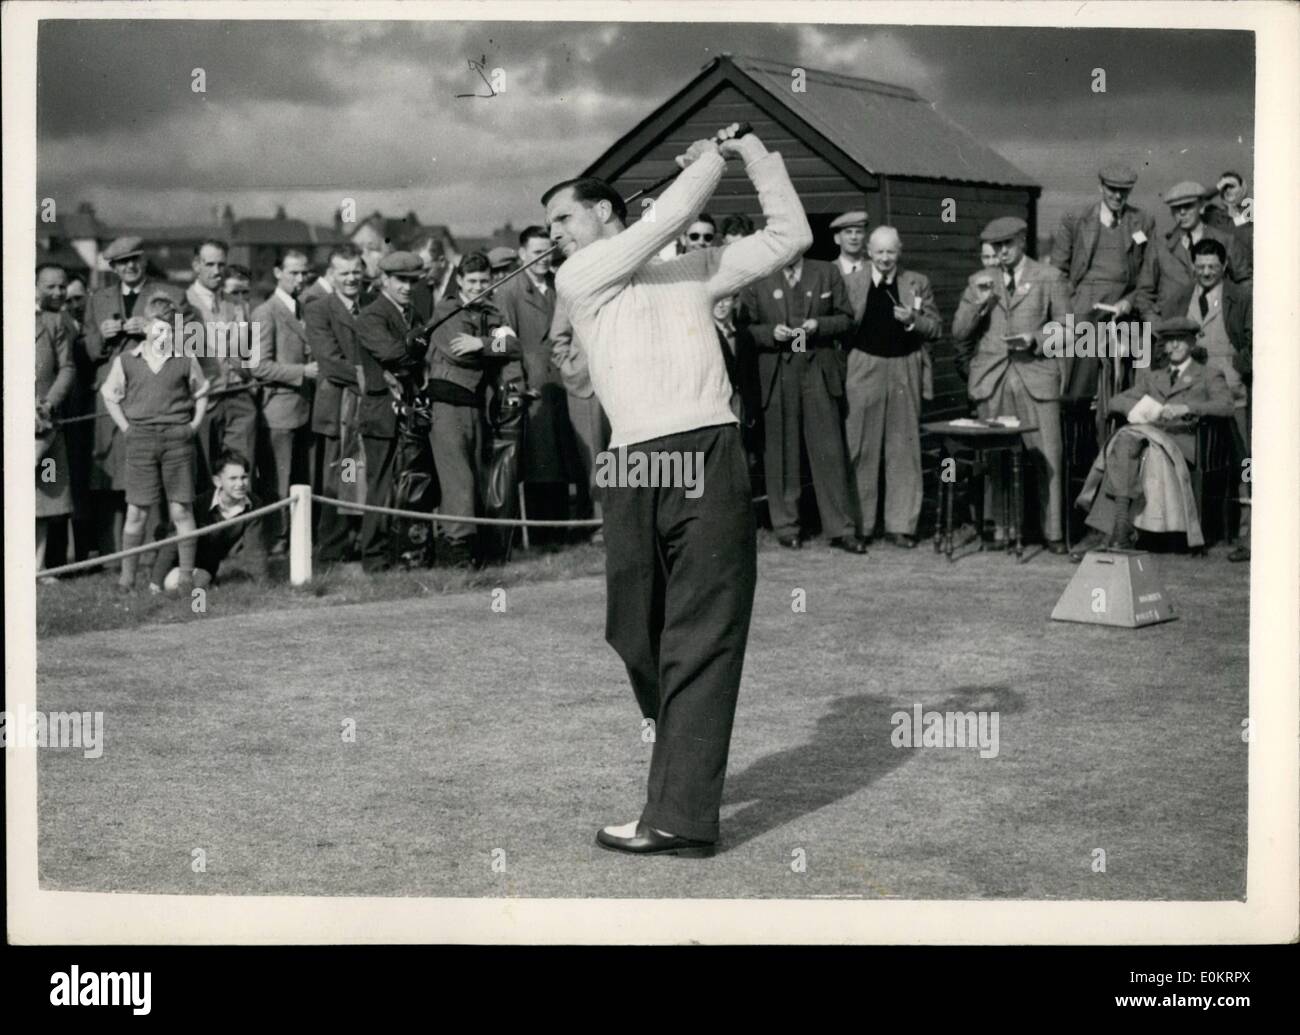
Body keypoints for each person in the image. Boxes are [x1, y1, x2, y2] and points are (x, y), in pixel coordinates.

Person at [546, 122, 812, 855]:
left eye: (564, 218)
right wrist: (705, 162)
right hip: (633, 464)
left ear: (605, 212)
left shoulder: (691, 269)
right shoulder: (580, 276)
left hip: (709, 451)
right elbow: (668, 214)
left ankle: (679, 814)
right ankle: (682, 765)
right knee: (635, 632)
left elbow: (789, 235)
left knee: (701, 634)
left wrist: (750, 152)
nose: (553, 236)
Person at [951, 216, 1072, 553]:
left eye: (1008, 245)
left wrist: (1035, 338)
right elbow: (959, 333)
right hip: (992, 379)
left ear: (1022, 242)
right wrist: (978, 303)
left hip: (1036, 377)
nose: (1002, 252)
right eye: (996, 246)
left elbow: (1070, 328)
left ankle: (1053, 533)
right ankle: (1004, 529)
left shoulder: (1049, 277)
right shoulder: (980, 282)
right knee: (997, 460)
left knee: (1047, 455)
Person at [1071, 317, 1235, 554]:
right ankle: (1119, 529)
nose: (1175, 346)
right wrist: (1140, 409)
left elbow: (1225, 406)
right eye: (1170, 341)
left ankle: (1106, 531)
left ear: (1192, 343)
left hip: (1184, 444)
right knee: (1125, 444)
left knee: (1124, 447)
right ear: (1164, 346)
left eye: (1181, 340)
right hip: (1149, 440)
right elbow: (1117, 400)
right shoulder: (1153, 377)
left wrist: (1188, 409)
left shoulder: (1209, 374)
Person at [737, 248, 864, 552]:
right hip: (779, 370)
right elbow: (744, 329)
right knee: (781, 452)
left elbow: (847, 318)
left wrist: (820, 325)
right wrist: (770, 332)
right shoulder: (758, 277)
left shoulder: (826, 272)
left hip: (817, 368)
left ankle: (841, 528)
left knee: (830, 451)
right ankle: (786, 526)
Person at [99, 290, 209, 593]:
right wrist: (126, 428)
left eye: (171, 329)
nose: (165, 335)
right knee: (137, 512)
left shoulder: (185, 359)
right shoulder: (127, 360)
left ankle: (186, 577)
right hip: (141, 440)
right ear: (146, 327)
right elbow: (110, 395)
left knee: (181, 510)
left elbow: (201, 394)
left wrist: (192, 426)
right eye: (159, 328)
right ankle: (126, 580)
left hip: (178, 440)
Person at [841, 226, 942, 548]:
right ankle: (861, 523)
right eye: (879, 252)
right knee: (860, 446)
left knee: (904, 448)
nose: (885, 258)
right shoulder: (852, 283)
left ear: (899, 252)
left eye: (891, 252)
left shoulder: (917, 283)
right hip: (863, 365)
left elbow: (936, 328)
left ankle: (901, 525)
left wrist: (913, 319)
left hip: (905, 366)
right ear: (869, 252)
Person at [425, 253, 518, 567]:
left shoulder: (490, 310)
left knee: (474, 476)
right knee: (458, 478)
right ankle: (455, 548)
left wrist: (481, 343)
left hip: (475, 403)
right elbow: (458, 352)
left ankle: (469, 545)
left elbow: (514, 345)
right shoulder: (447, 310)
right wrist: (492, 343)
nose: (479, 286)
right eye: (473, 281)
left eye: (484, 281)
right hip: (448, 403)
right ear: (460, 281)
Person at [82, 236, 168, 561]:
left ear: (144, 261)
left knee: (147, 467)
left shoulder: (164, 295)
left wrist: (152, 328)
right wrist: (100, 338)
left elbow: (185, 341)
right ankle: (111, 553)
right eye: (122, 262)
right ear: (113, 268)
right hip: (110, 397)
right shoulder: (98, 298)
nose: (129, 266)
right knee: (109, 472)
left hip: (148, 391)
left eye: (135, 259)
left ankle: (149, 553)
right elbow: (89, 348)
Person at [494, 225, 577, 540]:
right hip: (533, 385)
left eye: (548, 251)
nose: (543, 258)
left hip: (562, 381)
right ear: (522, 254)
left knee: (562, 456)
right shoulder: (509, 290)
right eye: (536, 252)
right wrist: (517, 382)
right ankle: (544, 536)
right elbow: (504, 340)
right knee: (539, 461)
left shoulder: (559, 285)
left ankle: (564, 528)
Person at [1050, 162, 1156, 404]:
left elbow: (1148, 274)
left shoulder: (1142, 222)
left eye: (1125, 190)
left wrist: (1129, 303)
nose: (1118, 196)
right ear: (1101, 187)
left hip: (1122, 316)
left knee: (1121, 387)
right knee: (1078, 390)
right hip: (1081, 314)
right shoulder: (1076, 219)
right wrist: (1066, 311)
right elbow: (1057, 272)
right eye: (1112, 189)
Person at [354, 250, 426, 571]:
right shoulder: (371, 315)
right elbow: (394, 353)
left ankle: (403, 549)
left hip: (408, 411)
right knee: (381, 486)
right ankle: (373, 557)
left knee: (408, 484)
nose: (408, 287)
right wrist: (416, 346)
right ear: (385, 280)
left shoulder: (413, 313)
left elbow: (417, 353)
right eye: (401, 280)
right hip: (381, 412)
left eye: (413, 281)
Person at [251, 249, 318, 553]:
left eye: (304, 272)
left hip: (305, 409)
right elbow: (258, 366)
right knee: (279, 482)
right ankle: (277, 542)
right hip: (278, 412)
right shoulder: (266, 312)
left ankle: (297, 543)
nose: (300, 279)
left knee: (300, 479)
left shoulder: (304, 308)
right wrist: (302, 371)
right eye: (293, 272)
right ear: (278, 273)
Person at [305, 244, 367, 563]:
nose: (351, 278)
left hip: (370, 410)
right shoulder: (318, 308)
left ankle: (361, 542)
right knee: (340, 476)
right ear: (331, 275)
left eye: (356, 271)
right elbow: (329, 362)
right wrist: (375, 379)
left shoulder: (373, 304)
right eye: (343, 273)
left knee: (364, 476)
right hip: (338, 408)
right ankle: (332, 549)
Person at [186, 239, 258, 481]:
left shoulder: (238, 304)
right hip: (203, 402)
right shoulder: (183, 304)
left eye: (221, 265)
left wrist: (245, 368)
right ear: (196, 265)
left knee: (240, 473)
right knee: (205, 475)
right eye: (210, 264)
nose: (217, 271)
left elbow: (250, 352)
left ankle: (240, 520)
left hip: (239, 397)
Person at [150, 450, 266, 590]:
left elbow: (255, 548)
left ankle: (203, 592)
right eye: (233, 478)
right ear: (217, 481)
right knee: (172, 584)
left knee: (194, 587)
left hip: (206, 564)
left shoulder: (253, 504)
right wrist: (155, 583)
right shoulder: (200, 503)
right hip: (179, 558)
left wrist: (262, 584)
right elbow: (173, 542)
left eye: (244, 477)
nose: (240, 484)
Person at [1136, 181, 1250, 318]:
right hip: (1171, 328)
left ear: (1201, 207)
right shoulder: (1159, 246)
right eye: (1177, 208)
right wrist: (1156, 326)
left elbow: (1246, 282)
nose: (1182, 212)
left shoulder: (1225, 241)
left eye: (1188, 206)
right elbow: (1143, 294)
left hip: (1215, 327)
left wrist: (1234, 318)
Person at [36, 263, 78, 577]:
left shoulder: (57, 322)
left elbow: (67, 367)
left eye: (62, 286)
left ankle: (38, 567)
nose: (58, 293)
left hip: (45, 423)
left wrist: (49, 402)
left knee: (45, 495)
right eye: (49, 286)